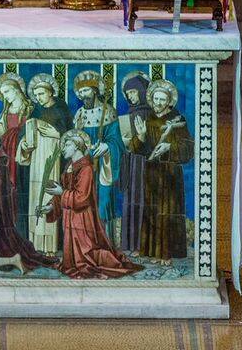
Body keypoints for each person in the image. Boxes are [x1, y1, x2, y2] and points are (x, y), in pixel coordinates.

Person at [41, 130, 141, 279]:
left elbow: (82, 198)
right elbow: (62, 190)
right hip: (70, 216)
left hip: (82, 217)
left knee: (85, 252)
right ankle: (73, 263)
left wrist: (61, 193)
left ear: (76, 146)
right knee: (73, 254)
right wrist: (50, 206)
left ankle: (85, 263)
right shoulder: (70, 165)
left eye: (67, 144)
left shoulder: (86, 168)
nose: (63, 148)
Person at [129, 79, 194, 265]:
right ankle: (150, 251)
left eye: (162, 99)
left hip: (170, 173)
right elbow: (137, 150)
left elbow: (188, 148)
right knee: (151, 211)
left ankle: (166, 253)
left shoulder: (177, 120)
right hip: (151, 173)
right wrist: (140, 137)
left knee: (168, 211)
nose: (158, 102)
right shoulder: (149, 120)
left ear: (169, 101)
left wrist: (169, 147)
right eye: (155, 98)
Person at [16, 73, 72, 255]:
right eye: (36, 95)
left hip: (53, 158)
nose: (39, 98)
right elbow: (25, 136)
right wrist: (24, 144)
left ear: (50, 93)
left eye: (42, 94)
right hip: (36, 162)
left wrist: (45, 128)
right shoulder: (36, 112)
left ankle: (50, 246)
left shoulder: (61, 110)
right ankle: (35, 243)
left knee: (49, 195)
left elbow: (65, 135)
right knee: (35, 198)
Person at [72, 70, 123, 241]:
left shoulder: (108, 112)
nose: (82, 95)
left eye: (86, 91)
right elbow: (74, 138)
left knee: (102, 202)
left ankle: (105, 244)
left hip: (103, 165)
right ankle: (85, 244)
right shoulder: (79, 114)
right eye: (80, 92)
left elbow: (117, 141)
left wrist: (107, 146)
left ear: (94, 91)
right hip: (84, 164)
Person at [0, 72, 32, 240]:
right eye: (3, 94)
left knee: (22, 188)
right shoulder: (6, 110)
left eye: (8, 92)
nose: (6, 96)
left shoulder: (30, 108)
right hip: (8, 151)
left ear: (17, 90)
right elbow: (3, 132)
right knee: (8, 188)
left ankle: (24, 233)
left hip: (24, 154)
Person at [119, 70, 153, 256]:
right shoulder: (130, 113)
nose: (131, 97)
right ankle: (129, 244)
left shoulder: (151, 114)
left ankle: (142, 245)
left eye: (133, 92)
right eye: (128, 94)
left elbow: (152, 142)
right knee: (130, 200)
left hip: (145, 165)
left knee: (143, 201)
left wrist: (140, 139)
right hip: (131, 162)